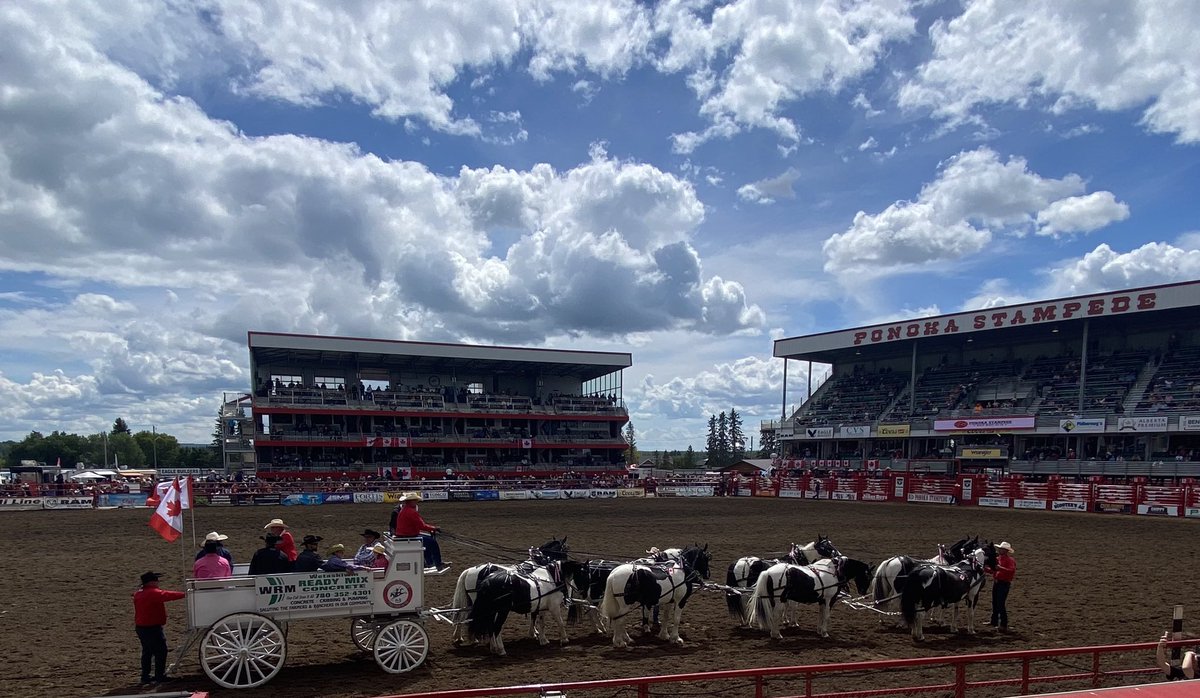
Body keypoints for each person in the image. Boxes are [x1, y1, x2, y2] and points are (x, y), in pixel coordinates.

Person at [133, 572, 185, 686]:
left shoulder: (138, 593)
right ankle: (159, 676)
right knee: (161, 651)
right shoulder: (152, 593)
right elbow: (167, 595)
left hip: (141, 627)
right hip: (151, 628)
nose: (158, 582)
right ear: (151, 582)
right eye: (156, 580)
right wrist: (184, 594)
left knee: (147, 652)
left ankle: (145, 676)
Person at [390, 491, 449, 573]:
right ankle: (438, 564)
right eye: (414, 500)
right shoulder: (411, 512)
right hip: (409, 536)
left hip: (404, 535)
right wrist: (434, 528)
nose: (416, 502)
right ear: (410, 501)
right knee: (433, 542)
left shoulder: (404, 510)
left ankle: (430, 562)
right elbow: (422, 526)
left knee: (427, 541)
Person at [986, 541, 1016, 630]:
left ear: (1006, 551)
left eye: (1001, 549)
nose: (1000, 550)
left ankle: (1003, 624)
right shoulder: (998, 558)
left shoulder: (1010, 560)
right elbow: (993, 571)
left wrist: (1000, 568)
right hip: (997, 583)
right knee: (995, 602)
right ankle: (994, 621)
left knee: (1000, 603)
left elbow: (1011, 571)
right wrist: (986, 569)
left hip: (1004, 583)